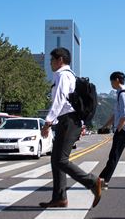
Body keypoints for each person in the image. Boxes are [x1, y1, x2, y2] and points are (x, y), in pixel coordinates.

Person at [39, 47, 102, 208]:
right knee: (56, 160)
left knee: (60, 159)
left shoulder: (62, 75)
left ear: (60, 60)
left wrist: (48, 123)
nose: (51, 63)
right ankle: (60, 197)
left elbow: (59, 101)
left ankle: (92, 182)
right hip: (67, 121)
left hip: (68, 121)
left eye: (52, 60)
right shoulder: (68, 75)